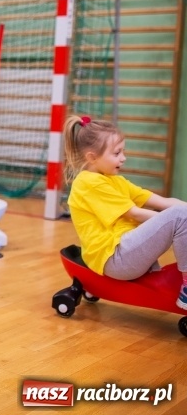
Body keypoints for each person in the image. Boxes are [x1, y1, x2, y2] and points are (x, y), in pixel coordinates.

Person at [63, 115, 187, 309]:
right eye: (117, 153)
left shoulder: (116, 181)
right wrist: (178, 220)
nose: (124, 158)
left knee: (179, 214)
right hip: (114, 258)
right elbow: (135, 214)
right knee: (179, 217)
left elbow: (164, 202)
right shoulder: (88, 183)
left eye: (123, 151)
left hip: (126, 251)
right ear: (92, 157)